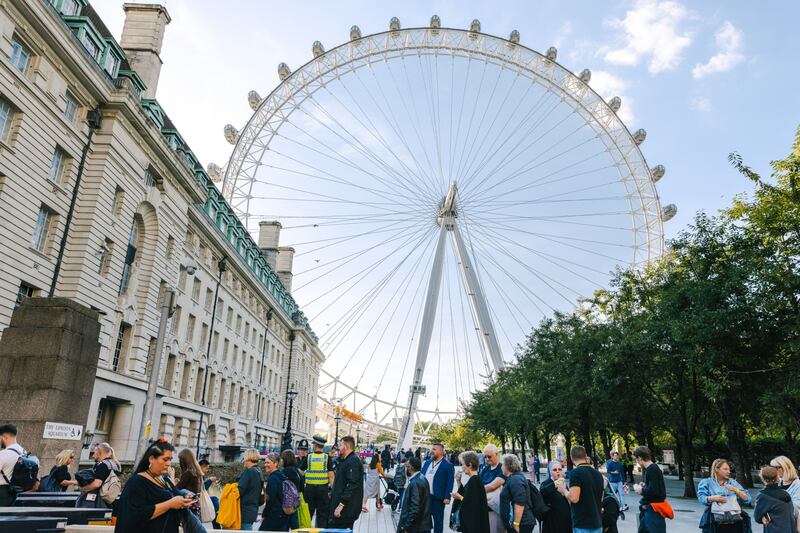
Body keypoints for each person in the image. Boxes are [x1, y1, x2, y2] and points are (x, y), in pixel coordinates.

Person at [114, 440, 195, 533]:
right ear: (151, 459)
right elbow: (133, 515)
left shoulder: (164, 480)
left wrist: (184, 500)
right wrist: (169, 504)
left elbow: (174, 496)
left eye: (170, 459)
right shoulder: (137, 482)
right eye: (165, 459)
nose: (169, 463)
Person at [698, 458, 752, 533]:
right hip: (715, 524)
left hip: (735, 524)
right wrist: (713, 498)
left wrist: (736, 490)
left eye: (729, 469)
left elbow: (748, 499)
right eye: (725, 469)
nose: (729, 472)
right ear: (717, 469)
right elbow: (701, 498)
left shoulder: (733, 483)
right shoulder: (706, 482)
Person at [558, 445, 604, 533]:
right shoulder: (598, 474)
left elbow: (574, 498)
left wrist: (563, 490)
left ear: (571, 457)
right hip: (597, 522)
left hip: (582, 523)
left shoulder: (576, 473)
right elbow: (601, 497)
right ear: (585, 455)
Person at [329, 436, 365, 530]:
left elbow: (352, 485)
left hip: (346, 510)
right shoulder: (346, 461)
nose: (338, 448)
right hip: (343, 509)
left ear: (347, 446)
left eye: (341, 445)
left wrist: (341, 505)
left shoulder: (353, 461)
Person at [452, 451, 490, 533]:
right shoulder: (474, 479)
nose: (462, 467)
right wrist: (458, 482)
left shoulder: (474, 480)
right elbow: (468, 496)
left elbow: (471, 502)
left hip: (474, 525)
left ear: (470, 465)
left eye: (463, 464)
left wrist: (459, 497)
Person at [421, 442, 456, 533]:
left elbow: (450, 482)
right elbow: (421, 477)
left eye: (434, 449)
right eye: (431, 449)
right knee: (425, 521)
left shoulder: (448, 466)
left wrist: (447, 497)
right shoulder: (427, 463)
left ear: (441, 451)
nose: (431, 451)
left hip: (438, 498)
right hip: (425, 497)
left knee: (438, 521)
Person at [300, 435, 334, 527]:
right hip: (323, 490)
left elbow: (300, 472)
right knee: (322, 515)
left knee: (307, 514)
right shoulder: (327, 458)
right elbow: (331, 476)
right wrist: (333, 490)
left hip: (309, 490)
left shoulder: (309, 457)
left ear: (315, 445)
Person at [634, 446, 668, 533]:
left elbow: (655, 491)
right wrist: (645, 486)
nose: (636, 461)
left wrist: (641, 490)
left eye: (636, 459)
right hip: (651, 509)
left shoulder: (651, 469)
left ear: (640, 458)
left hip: (653, 510)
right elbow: (655, 487)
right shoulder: (653, 468)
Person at [499, 453, 536, 533]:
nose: (501, 467)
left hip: (522, 524)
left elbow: (520, 502)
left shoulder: (516, 479)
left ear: (507, 466)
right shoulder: (514, 478)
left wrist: (516, 524)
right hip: (520, 523)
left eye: (502, 464)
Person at [78, 442, 121, 508]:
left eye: (94, 452)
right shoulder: (114, 465)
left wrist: (82, 489)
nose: (93, 455)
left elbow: (96, 484)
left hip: (97, 501)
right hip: (108, 499)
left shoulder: (102, 465)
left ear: (99, 452)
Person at [755, 466, 796, 533]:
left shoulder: (763, 495)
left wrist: (764, 517)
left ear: (762, 478)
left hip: (774, 530)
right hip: (789, 530)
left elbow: (757, 517)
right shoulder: (786, 493)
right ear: (777, 477)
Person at [397, 457, 433, 533]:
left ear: (411, 467)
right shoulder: (421, 478)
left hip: (416, 527)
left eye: (407, 466)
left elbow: (415, 508)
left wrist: (407, 527)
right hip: (420, 525)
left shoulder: (416, 482)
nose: (406, 468)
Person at [480, 444, 508, 533]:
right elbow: (478, 483)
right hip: (484, 507)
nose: (487, 459)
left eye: (489, 456)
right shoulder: (486, 468)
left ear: (497, 454)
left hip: (496, 509)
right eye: (485, 457)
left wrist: (478, 491)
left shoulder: (502, 468)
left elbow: (493, 486)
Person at [259, 452, 289, 531]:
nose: (265, 465)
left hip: (274, 515)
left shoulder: (273, 478)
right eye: (265, 462)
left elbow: (270, 500)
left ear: (275, 463)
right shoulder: (281, 476)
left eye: (268, 462)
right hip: (282, 515)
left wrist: (264, 515)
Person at [541, 460, 573, 533]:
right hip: (552, 521)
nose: (558, 471)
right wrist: (556, 483)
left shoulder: (564, 483)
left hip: (566, 520)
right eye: (555, 470)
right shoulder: (546, 483)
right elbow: (542, 492)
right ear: (550, 472)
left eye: (560, 469)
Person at [0, 424, 27, 505]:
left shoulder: (4, 453)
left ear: (4, 437)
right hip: (17, 492)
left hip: (2, 493)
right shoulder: (24, 452)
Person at [238, 448, 263, 530]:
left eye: (244, 458)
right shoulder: (258, 471)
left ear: (248, 458)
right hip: (253, 509)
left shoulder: (249, 472)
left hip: (244, 510)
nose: (243, 461)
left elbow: (240, 490)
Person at [176, 448, 203, 517]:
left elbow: (176, 489)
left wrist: (172, 477)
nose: (179, 462)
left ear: (184, 461)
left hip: (189, 505)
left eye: (180, 460)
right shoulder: (197, 472)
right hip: (196, 505)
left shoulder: (188, 473)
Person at [281, 449, 304, 529]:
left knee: (284, 527)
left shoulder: (285, 471)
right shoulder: (297, 471)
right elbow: (301, 488)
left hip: (286, 503)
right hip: (295, 502)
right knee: (295, 527)